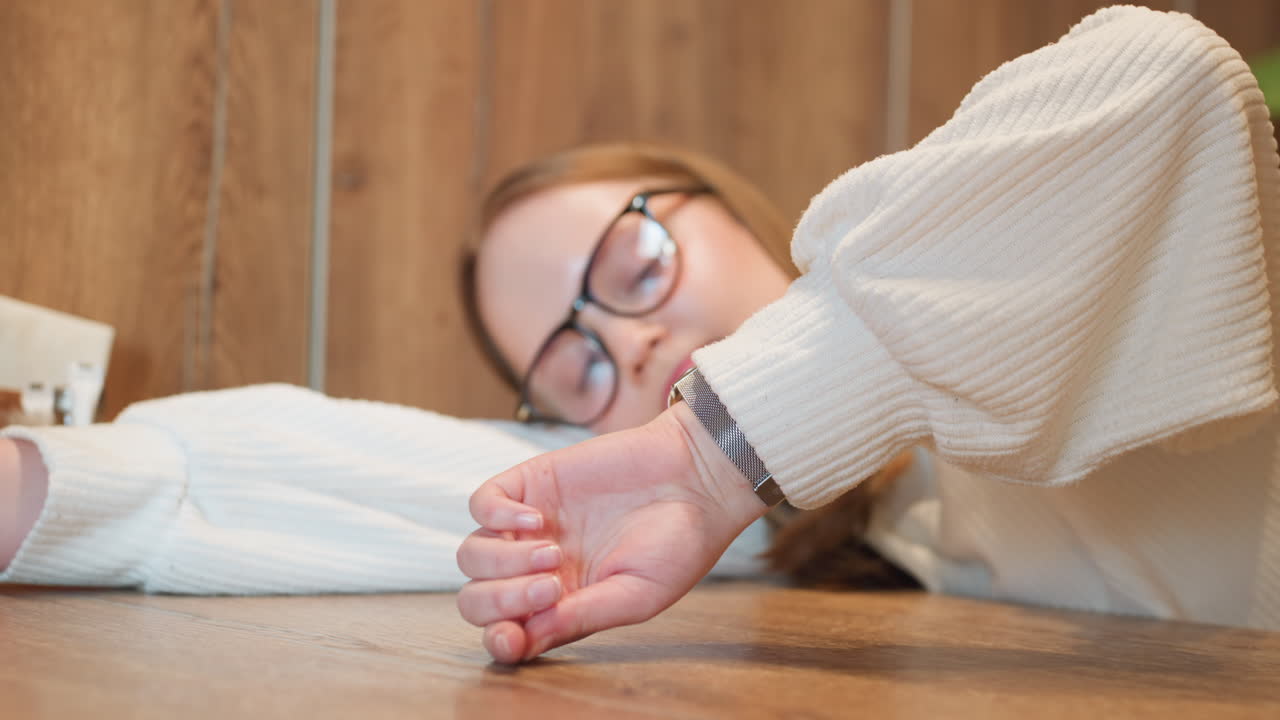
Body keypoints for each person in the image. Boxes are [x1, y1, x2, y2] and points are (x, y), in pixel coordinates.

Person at [1, 4, 1276, 663]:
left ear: (716, 201)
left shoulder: (975, 251)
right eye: (579, 362)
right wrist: (53, 487)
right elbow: (298, 477)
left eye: (633, 258)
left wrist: (720, 446)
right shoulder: (771, 541)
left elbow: (1165, 80)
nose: (637, 336)